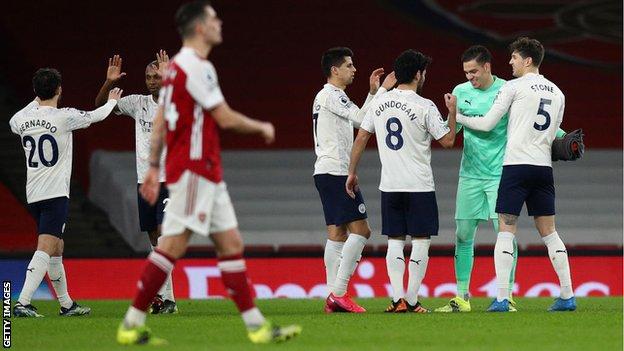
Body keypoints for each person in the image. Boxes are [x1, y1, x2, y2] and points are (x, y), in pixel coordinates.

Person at [116, 1, 301, 345]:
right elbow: (225, 117)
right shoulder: (196, 68)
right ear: (200, 27)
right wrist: (261, 126)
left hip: (205, 172)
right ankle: (131, 324)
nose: (220, 23)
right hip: (193, 171)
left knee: (231, 244)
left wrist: (154, 167)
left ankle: (257, 326)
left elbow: (159, 122)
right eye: (214, 18)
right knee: (170, 246)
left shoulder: (175, 71)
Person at [454, 37, 576, 312]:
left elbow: (486, 124)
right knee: (551, 234)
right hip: (544, 169)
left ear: (527, 60)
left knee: (506, 232)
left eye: (514, 58)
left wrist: (457, 117)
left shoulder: (513, 87)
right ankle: (567, 295)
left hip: (515, 167)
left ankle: (502, 297)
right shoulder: (558, 92)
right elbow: (555, 134)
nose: (510, 62)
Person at [346, 50, 456, 313]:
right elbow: (449, 141)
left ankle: (398, 300)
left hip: (390, 185)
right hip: (419, 185)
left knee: (395, 240)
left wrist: (351, 172)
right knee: (420, 240)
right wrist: (452, 113)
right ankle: (414, 300)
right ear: (418, 74)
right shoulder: (425, 105)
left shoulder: (379, 104)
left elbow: (361, 137)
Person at [10, 68, 122, 317]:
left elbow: (12, 122)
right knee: (46, 246)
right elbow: (96, 116)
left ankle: (66, 304)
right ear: (59, 90)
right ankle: (22, 302)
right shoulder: (65, 117)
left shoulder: (22, 120)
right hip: (55, 193)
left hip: (33, 193)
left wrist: (36, 101)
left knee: (57, 247)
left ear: (36, 92)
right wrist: (112, 102)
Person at [313, 47, 396, 313]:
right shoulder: (332, 95)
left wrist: (372, 93)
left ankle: (332, 296)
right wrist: (382, 91)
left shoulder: (329, 97)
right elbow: (363, 120)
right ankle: (339, 292)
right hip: (335, 172)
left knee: (337, 234)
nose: (354, 69)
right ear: (334, 70)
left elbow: (359, 116)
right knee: (362, 231)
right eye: (349, 65)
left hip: (327, 171)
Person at [94, 51, 177, 314]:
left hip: (170, 178)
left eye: (157, 76)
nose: (153, 80)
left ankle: (163, 296)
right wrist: (108, 83)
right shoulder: (136, 103)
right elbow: (100, 108)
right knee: (154, 238)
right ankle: (167, 299)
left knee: (163, 237)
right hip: (145, 180)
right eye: (149, 77)